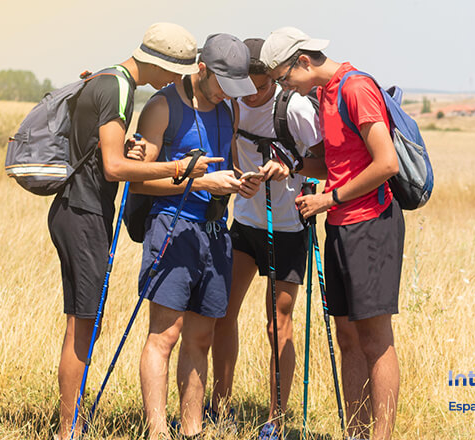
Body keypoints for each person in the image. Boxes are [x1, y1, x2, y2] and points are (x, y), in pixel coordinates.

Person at [47, 22, 222, 440]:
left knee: (84, 322)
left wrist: (133, 153)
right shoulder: (119, 89)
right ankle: (68, 430)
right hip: (83, 212)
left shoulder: (107, 78)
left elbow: (104, 152)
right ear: (161, 63)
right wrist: (178, 168)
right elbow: (113, 169)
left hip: (81, 211)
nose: (172, 82)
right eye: (173, 71)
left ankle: (71, 424)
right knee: (83, 325)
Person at [262, 27, 405, 440]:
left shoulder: (356, 88)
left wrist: (329, 199)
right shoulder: (325, 95)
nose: (283, 87)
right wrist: (292, 167)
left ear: (303, 61)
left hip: (371, 223)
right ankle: (355, 433)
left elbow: (386, 164)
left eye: (283, 79)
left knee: (375, 338)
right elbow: (337, 162)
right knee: (347, 336)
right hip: (342, 225)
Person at [131, 33, 262, 440]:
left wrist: (241, 182)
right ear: (201, 70)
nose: (228, 94)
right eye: (223, 83)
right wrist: (201, 181)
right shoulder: (161, 107)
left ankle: (192, 429)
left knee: (202, 336)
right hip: (172, 227)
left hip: (214, 233)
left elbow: (227, 164)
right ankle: (157, 431)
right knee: (165, 335)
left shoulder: (229, 110)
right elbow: (139, 183)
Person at [209, 37, 324, 439]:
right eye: (247, 86)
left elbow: (326, 161)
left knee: (278, 325)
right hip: (245, 222)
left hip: (288, 226)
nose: (253, 94)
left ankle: (275, 420)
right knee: (222, 313)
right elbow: (233, 151)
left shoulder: (292, 107)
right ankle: (218, 410)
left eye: (261, 86)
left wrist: (288, 164)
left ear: (273, 79)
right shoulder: (233, 103)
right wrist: (243, 180)